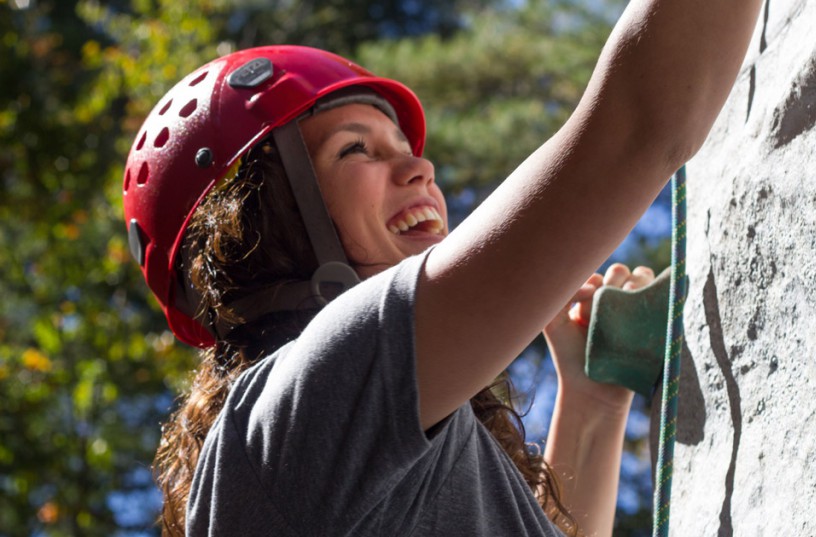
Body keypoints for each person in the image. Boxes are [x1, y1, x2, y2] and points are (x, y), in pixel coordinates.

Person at [122, 0, 762, 535]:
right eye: (356, 149)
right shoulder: (304, 402)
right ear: (266, 221)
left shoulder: (339, 449)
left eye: (405, 146)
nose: (420, 168)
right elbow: (636, 127)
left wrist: (592, 403)